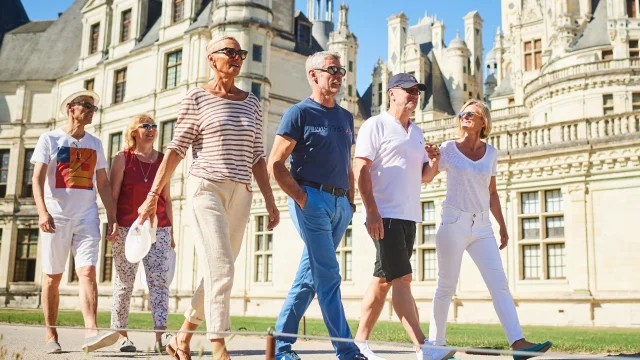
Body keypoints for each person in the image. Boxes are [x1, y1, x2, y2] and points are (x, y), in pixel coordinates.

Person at [137, 35, 279, 360]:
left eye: (241, 52)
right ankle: (218, 347)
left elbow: (258, 156)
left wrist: (270, 201)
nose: (238, 57)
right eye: (230, 52)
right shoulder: (196, 98)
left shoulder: (252, 103)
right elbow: (176, 149)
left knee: (220, 269)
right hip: (206, 189)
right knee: (222, 268)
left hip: (241, 193)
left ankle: (182, 337)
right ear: (211, 58)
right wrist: (152, 195)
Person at [424, 99, 552, 360]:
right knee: (446, 286)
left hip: (482, 226)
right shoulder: (448, 148)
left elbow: (491, 192)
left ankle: (518, 344)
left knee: (499, 285)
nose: (465, 117)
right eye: (462, 114)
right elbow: (426, 178)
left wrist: (502, 225)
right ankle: (435, 347)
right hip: (453, 223)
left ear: (484, 120)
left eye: (471, 113)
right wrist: (433, 160)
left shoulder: (491, 153)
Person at [267, 51, 366, 360]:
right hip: (311, 201)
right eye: (331, 70)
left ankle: (280, 346)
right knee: (329, 275)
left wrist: (349, 202)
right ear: (313, 75)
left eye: (341, 70)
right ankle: (347, 351)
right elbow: (276, 163)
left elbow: (347, 164)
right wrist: (302, 199)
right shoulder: (299, 113)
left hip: (340, 205)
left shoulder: (346, 117)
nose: (338, 75)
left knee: (309, 277)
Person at [352, 73, 448, 360]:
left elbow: (425, 178)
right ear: (391, 93)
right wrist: (371, 211)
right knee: (403, 279)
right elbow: (361, 169)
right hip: (385, 215)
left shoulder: (417, 132)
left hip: (409, 217)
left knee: (383, 281)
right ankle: (423, 346)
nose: (414, 95)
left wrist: (434, 160)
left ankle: (359, 343)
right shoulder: (375, 125)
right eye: (408, 90)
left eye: (417, 91)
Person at [31, 90, 119, 354]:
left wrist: (111, 217)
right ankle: (50, 334)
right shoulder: (50, 139)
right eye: (87, 106)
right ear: (71, 108)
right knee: (52, 278)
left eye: (94, 108)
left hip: (87, 216)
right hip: (56, 217)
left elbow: (102, 183)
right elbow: (36, 179)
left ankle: (91, 331)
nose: (92, 111)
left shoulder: (95, 143)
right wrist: (42, 212)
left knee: (88, 272)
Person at [109, 114, 175, 352]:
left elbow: (167, 198)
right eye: (145, 126)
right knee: (124, 284)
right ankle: (122, 336)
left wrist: (172, 231)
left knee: (159, 283)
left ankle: (161, 336)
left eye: (154, 126)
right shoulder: (121, 158)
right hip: (127, 228)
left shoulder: (163, 160)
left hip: (160, 228)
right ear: (134, 132)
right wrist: (112, 223)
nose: (151, 129)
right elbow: (113, 196)